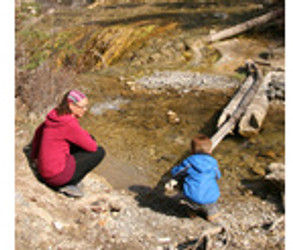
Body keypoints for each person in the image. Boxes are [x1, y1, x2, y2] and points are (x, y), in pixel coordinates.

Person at [29, 89, 106, 197]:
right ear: (71, 105)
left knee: (86, 140)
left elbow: (38, 134)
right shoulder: (68, 124)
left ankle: (65, 177)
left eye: (86, 106)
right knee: (99, 152)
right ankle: (69, 183)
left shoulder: (54, 116)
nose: (85, 110)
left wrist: (34, 158)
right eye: (82, 107)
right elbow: (92, 147)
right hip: (55, 177)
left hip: (45, 170)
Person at [168, 134, 221, 221]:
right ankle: (211, 214)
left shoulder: (189, 162)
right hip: (210, 199)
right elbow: (218, 176)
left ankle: (192, 211)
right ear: (210, 151)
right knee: (211, 185)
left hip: (193, 199)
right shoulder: (213, 164)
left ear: (192, 151)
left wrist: (173, 171)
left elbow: (176, 173)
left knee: (182, 179)